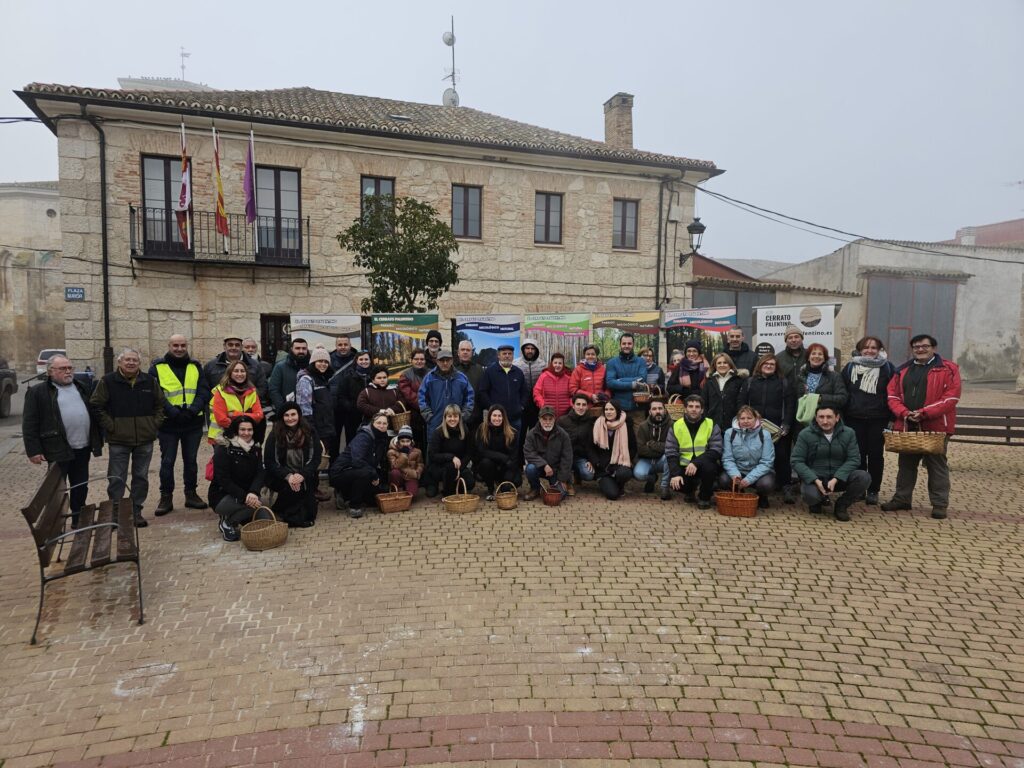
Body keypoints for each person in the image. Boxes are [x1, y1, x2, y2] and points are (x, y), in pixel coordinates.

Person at [882, 334, 962, 519]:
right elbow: (892, 395)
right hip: (908, 424)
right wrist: (904, 413)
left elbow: (951, 398)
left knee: (937, 466)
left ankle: (939, 504)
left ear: (933, 347)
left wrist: (924, 412)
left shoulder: (948, 369)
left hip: (936, 426)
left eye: (924, 346)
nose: (920, 349)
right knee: (906, 465)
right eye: (916, 347)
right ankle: (902, 499)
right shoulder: (902, 370)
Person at [23, 354, 103, 527]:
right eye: (63, 369)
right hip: (56, 448)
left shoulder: (80, 387)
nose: (68, 372)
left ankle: (78, 519)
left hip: (82, 446)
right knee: (56, 490)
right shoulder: (38, 392)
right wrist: (33, 450)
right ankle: (55, 525)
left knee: (80, 485)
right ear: (51, 372)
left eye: (69, 368)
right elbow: (29, 423)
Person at [91, 348, 165, 527]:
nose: (131, 363)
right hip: (119, 440)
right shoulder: (108, 381)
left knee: (141, 477)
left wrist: (154, 424)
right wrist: (112, 426)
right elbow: (96, 405)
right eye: (127, 360)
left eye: (135, 360)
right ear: (119, 362)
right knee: (117, 477)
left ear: (139, 363)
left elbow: (160, 404)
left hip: (145, 439)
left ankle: (135, 510)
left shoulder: (149, 381)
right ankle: (116, 512)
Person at [150, 334, 211, 516]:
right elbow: (156, 394)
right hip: (169, 423)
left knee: (191, 461)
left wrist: (192, 410)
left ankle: (191, 494)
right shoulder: (157, 368)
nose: (179, 348)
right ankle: (166, 496)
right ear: (169, 346)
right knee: (167, 461)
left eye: (183, 345)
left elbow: (203, 390)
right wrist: (173, 412)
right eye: (175, 345)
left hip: (192, 423)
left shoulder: (195, 366)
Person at [841, 336, 896, 505]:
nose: (870, 350)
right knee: (857, 456)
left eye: (874, 347)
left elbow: (894, 393)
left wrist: (893, 418)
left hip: (878, 419)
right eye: (866, 347)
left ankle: (873, 490)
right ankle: (859, 489)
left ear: (879, 350)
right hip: (854, 418)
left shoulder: (888, 368)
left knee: (875, 456)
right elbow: (844, 392)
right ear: (860, 349)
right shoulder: (850, 367)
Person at [791, 404, 870, 522]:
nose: (825, 421)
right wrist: (815, 480)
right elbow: (796, 460)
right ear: (816, 418)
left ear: (837, 417)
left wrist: (837, 478)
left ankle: (841, 505)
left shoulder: (849, 433)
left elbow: (854, 459)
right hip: (815, 478)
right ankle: (817, 500)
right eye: (821, 417)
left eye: (829, 417)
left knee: (864, 477)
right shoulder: (805, 434)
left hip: (839, 478)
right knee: (811, 497)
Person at [739, 355, 796, 502]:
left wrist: (787, 424)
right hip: (755, 427)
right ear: (760, 365)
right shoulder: (750, 382)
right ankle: (758, 485)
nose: (769, 366)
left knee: (782, 457)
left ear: (776, 367)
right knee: (756, 456)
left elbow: (790, 405)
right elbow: (742, 403)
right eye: (766, 363)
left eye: (772, 364)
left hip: (778, 428)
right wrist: (744, 421)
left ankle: (785, 486)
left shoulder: (784, 382)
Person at [264, 402, 321, 527]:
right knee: (293, 489)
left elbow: (315, 459)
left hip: (304, 474)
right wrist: (288, 476)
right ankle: (279, 511)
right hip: (280, 476)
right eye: (286, 415)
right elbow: (270, 462)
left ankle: (289, 514)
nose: (290, 418)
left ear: (299, 415)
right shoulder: (275, 434)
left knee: (310, 512)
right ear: (282, 417)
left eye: (293, 414)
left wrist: (302, 474)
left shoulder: (310, 432)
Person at [209, 415, 265, 542]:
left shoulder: (255, 448)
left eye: (249, 430)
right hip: (223, 495)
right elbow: (223, 479)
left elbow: (260, 473)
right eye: (242, 430)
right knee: (253, 506)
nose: (246, 433)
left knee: (265, 516)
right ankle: (227, 522)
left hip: (248, 493)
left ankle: (240, 515)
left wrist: (254, 492)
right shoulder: (224, 448)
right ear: (236, 430)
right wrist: (245, 497)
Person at [665, 394, 722, 509]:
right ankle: (689, 491)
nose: (694, 409)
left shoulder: (711, 424)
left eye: (697, 407)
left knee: (710, 469)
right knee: (678, 484)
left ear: (702, 410)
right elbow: (671, 452)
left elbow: (716, 450)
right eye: (690, 406)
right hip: (684, 466)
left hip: (705, 465)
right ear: (685, 409)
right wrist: (675, 474)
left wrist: (696, 462)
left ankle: (704, 497)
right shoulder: (676, 426)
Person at [330, 411, 390, 518]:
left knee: (375, 498)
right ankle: (354, 506)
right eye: (378, 423)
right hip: (341, 472)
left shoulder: (383, 438)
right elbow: (357, 461)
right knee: (366, 473)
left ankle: (345, 495)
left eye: (384, 423)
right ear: (372, 423)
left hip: (360, 470)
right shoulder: (364, 436)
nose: (381, 425)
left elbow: (380, 460)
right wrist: (374, 474)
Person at [295, 346, 336, 502]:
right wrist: (311, 429)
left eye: (326, 361)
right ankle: (310, 490)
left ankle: (314, 488)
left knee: (319, 460)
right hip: (314, 426)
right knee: (313, 459)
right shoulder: (306, 379)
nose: (323, 364)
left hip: (325, 425)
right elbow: (304, 406)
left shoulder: (322, 378)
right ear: (313, 362)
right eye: (320, 361)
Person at [720, 405, 776, 509]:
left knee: (766, 484)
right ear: (738, 420)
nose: (746, 421)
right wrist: (735, 475)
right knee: (724, 480)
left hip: (760, 473)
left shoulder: (765, 435)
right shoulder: (729, 433)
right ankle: (737, 492)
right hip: (738, 470)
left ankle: (762, 497)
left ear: (756, 419)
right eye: (742, 418)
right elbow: (727, 458)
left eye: (749, 418)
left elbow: (767, 462)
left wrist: (749, 479)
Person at [476, 343, 529, 438]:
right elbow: (483, 391)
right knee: (496, 444)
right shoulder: (490, 371)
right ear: (498, 356)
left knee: (514, 445)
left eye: (510, 354)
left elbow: (524, 392)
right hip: (496, 419)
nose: (507, 356)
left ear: (513, 356)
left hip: (515, 418)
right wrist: (491, 408)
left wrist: (521, 407)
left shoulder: (518, 372)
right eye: (504, 354)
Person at [587, 400, 637, 500]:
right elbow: (590, 447)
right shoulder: (597, 424)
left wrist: (627, 459)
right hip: (603, 468)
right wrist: (596, 462)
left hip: (620, 464)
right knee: (613, 495)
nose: (608, 412)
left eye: (611, 409)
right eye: (606, 409)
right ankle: (607, 483)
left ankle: (619, 484)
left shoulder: (626, 425)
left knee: (624, 473)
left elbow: (633, 446)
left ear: (617, 411)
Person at [418, 349, 474, 438]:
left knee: (456, 448)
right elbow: (422, 398)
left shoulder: (461, 378)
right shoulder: (429, 378)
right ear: (437, 361)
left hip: (456, 423)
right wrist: (429, 417)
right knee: (434, 450)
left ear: (452, 360)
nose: (445, 363)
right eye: (441, 360)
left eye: (447, 360)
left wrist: (463, 416)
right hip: (435, 423)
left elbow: (469, 398)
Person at [522, 405, 573, 501]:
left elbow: (567, 457)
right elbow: (528, 452)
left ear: (555, 419)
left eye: (550, 419)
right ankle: (535, 488)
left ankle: (563, 484)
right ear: (539, 419)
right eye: (544, 419)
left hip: (555, 470)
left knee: (560, 496)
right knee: (530, 468)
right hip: (539, 467)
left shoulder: (563, 434)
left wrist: (562, 479)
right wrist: (544, 465)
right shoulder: (532, 433)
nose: (548, 422)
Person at [426, 404, 475, 497]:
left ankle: (454, 488)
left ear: (459, 417)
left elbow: (469, 453)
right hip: (440, 466)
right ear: (445, 417)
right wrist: (451, 457)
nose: (452, 419)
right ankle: (448, 494)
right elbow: (432, 455)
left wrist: (460, 468)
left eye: (455, 416)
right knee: (450, 468)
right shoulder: (438, 432)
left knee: (470, 482)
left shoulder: (464, 431)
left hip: (459, 466)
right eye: (449, 416)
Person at [209, 360, 264, 444]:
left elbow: (259, 416)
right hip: (222, 437)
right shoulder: (221, 392)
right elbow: (222, 420)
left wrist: (234, 414)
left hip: (245, 436)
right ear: (230, 373)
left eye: (242, 371)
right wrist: (247, 418)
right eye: (236, 371)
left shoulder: (252, 392)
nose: (239, 374)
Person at [204, 336, 268, 405]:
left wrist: (249, 402)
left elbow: (262, 388)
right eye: (230, 345)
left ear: (241, 347)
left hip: (247, 409)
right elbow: (205, 389)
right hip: (219, 409)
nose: (234, 347)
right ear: (224, 346)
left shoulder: (255, 365)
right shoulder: (211, 366)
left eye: (237, 345)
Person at [474, 404, 518, 500]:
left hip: (506, 466)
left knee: (514, 483)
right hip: (490, 466)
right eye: (494, 415)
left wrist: (510, 472)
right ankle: (490, 488)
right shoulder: (482, 429)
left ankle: (502, 483)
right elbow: (482, 452)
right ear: (490, 416)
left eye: (499, 416)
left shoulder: (512, 432)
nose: (497, 418)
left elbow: (514, 456)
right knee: (486, 463)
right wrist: (502, 457)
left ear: (503, 417)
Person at [633, 398, 673, 500]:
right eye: (654, 409)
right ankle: (652, 478)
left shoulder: (671, 425)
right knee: (638, 474)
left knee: (669, 455)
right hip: (646, 460)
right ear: (650, 411)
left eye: (660, 408)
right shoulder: (643, 426)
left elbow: (670, 447)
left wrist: (651, 444)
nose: (658, 411)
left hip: (663, 460)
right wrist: (661, 448)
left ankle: (664, 487)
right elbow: (641, 449)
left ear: (665, 410)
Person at [795, 343, 848, 419]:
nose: (816, 356)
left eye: (820, 354)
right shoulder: (800, 376)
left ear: (824, 358)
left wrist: (819, 398)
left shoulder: (834, 376)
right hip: (804, 421)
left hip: (827, 420)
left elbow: (842, 399)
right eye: (813, 353)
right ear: (808, 358)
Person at [557, 394, 596, 495]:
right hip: (565, 456)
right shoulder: (562, 421)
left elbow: (592, 444)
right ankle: (568, 482)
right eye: (578, 404)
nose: (581, 407)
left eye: (584, 405)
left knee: (589, 474)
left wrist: (591, 460)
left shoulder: (591, 422)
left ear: (587, 406)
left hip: (581, 457)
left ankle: (578, 475)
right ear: (573, 405)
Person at [605, 333, 647, 424]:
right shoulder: (612, 362)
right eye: (624, 344)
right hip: (619, 407)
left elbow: (642, 380)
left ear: (633, 344)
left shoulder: (641, 362)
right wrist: (632, 384)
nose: (626, 346)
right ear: (620, 345)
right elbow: (610, 382)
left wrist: (621, 380)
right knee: (620, 437)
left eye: (629, 343)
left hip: (638, 407)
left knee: (638, 436)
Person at [335, 349, 373, 443]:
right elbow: (341, 396)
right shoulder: (348, 377)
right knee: (353, 442)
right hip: (352, 417)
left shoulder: (374, 376)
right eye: (361, 359)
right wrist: (351, 407)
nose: (364, 361)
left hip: (371, 416)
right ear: (356, 361)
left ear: (370, 361)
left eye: (366, 359)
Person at [267, 337, 310, 418]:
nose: (301, 351)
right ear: (291, 349)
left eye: (304, 348)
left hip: (308, 414)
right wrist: (283, 409)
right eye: (297, 348)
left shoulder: (311, 367)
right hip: (287, 415)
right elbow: (273, 390)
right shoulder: (280, 367)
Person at [702, 353, 743, 432]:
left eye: (725, 362)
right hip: (713, 423)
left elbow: (741, 402)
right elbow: (704, 403)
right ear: (715, 365)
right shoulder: (709, 381)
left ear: (730, 364)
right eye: (719, 363)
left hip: (734, 423)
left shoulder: (738, 380)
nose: (722, 365)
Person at [514, 338, 546, 439]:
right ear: (523, 350)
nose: (530, 351)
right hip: (521, 404)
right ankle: (519, 455)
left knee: (536, 433)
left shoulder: (542, 364)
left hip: (536, 405)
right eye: (527, 348)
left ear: (536, 350)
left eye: (532, 348)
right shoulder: (516, 364)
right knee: (520, 433)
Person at [398, 348, 429, 448]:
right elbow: (409, 396)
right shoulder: (405, 375)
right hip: (414, 417)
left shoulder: (431, 374)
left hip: (430, 415)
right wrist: (424, 407)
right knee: (416, 445)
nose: (419, 361)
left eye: (422, 359)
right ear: (411, 360)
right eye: (416, 359)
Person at [387, 425, 424, 500]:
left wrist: (417, 473)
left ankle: (406, 488)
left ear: (411, 441)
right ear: (398, 441)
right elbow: (394, 466)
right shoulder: (392, 451)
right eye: (402, 441)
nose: (405, 443)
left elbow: (420, 464)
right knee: (394, 473)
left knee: (412, 495)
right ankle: (395, 490)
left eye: (408, 441)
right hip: (399, 476)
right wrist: (403, 455)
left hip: (411, 476)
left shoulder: (417, 451)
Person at [455, 340, 485, 429]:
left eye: (468, 350)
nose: (465, 352)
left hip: (476, 418)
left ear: (472, 353)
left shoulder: (479, 370)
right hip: (456, 418)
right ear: (458, 352)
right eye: (462, 349)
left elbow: (482, 393)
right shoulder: (452, 370)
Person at [533, 352, 573, 418]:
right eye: (555, 363)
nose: (557, 365)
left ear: (563, 365)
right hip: (547, 415)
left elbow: (573, 394)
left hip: (565, 415)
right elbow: (536, 392)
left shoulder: (568, 377)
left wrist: (571, 405)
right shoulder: (544, 376)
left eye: (560, 363)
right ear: (551, 363)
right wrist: (543, 405)